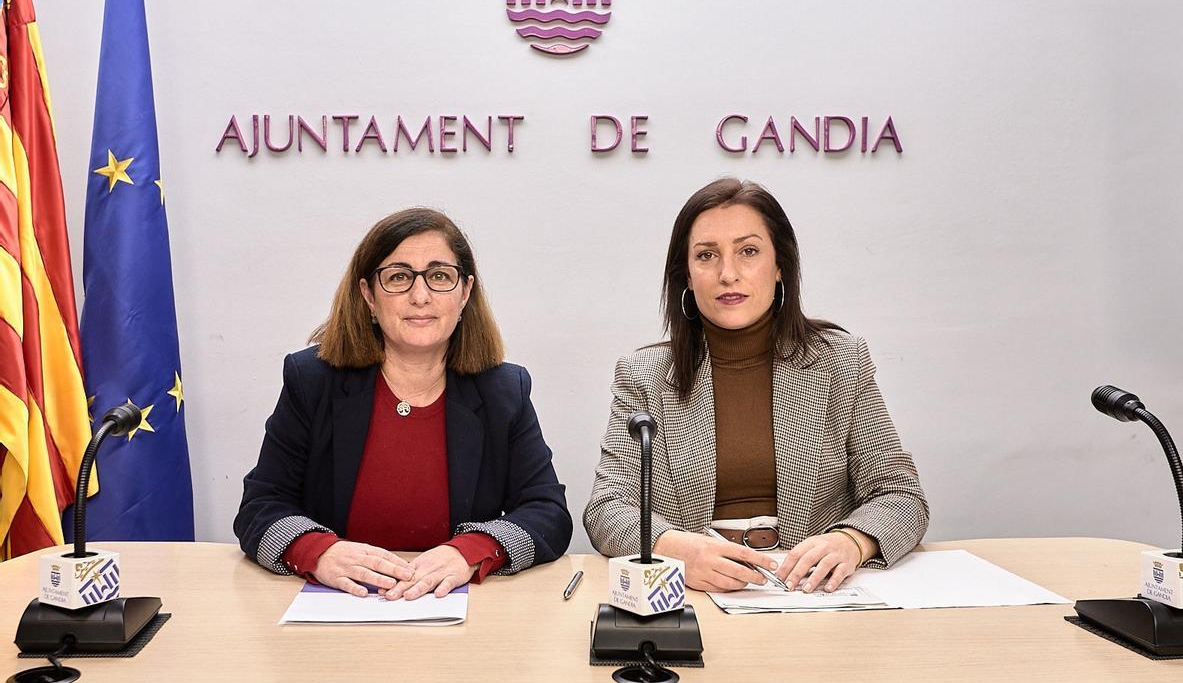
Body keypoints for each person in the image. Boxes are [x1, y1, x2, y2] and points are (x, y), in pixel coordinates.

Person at [584, 178, 928, 593]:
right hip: (695, 592)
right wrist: (672, 550)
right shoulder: (644, 373)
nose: (728, 274)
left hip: (812, 594)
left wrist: (850, 542)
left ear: (780, 265)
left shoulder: (841, 361)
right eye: (707, 255)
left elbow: (901, 495)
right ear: (687, 277)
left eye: (748, 251)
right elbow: (607, 508)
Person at [235, 208, 571, 599]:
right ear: (368, 296)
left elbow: (548, 513)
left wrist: (473, 550)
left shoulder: (503, 389)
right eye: (398, 277)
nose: (420, 296)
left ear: (465, 293)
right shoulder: (313, 380)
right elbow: (260, 506)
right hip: (340, 607)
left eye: (439, 276)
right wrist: (317, 551)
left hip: (455, 610)